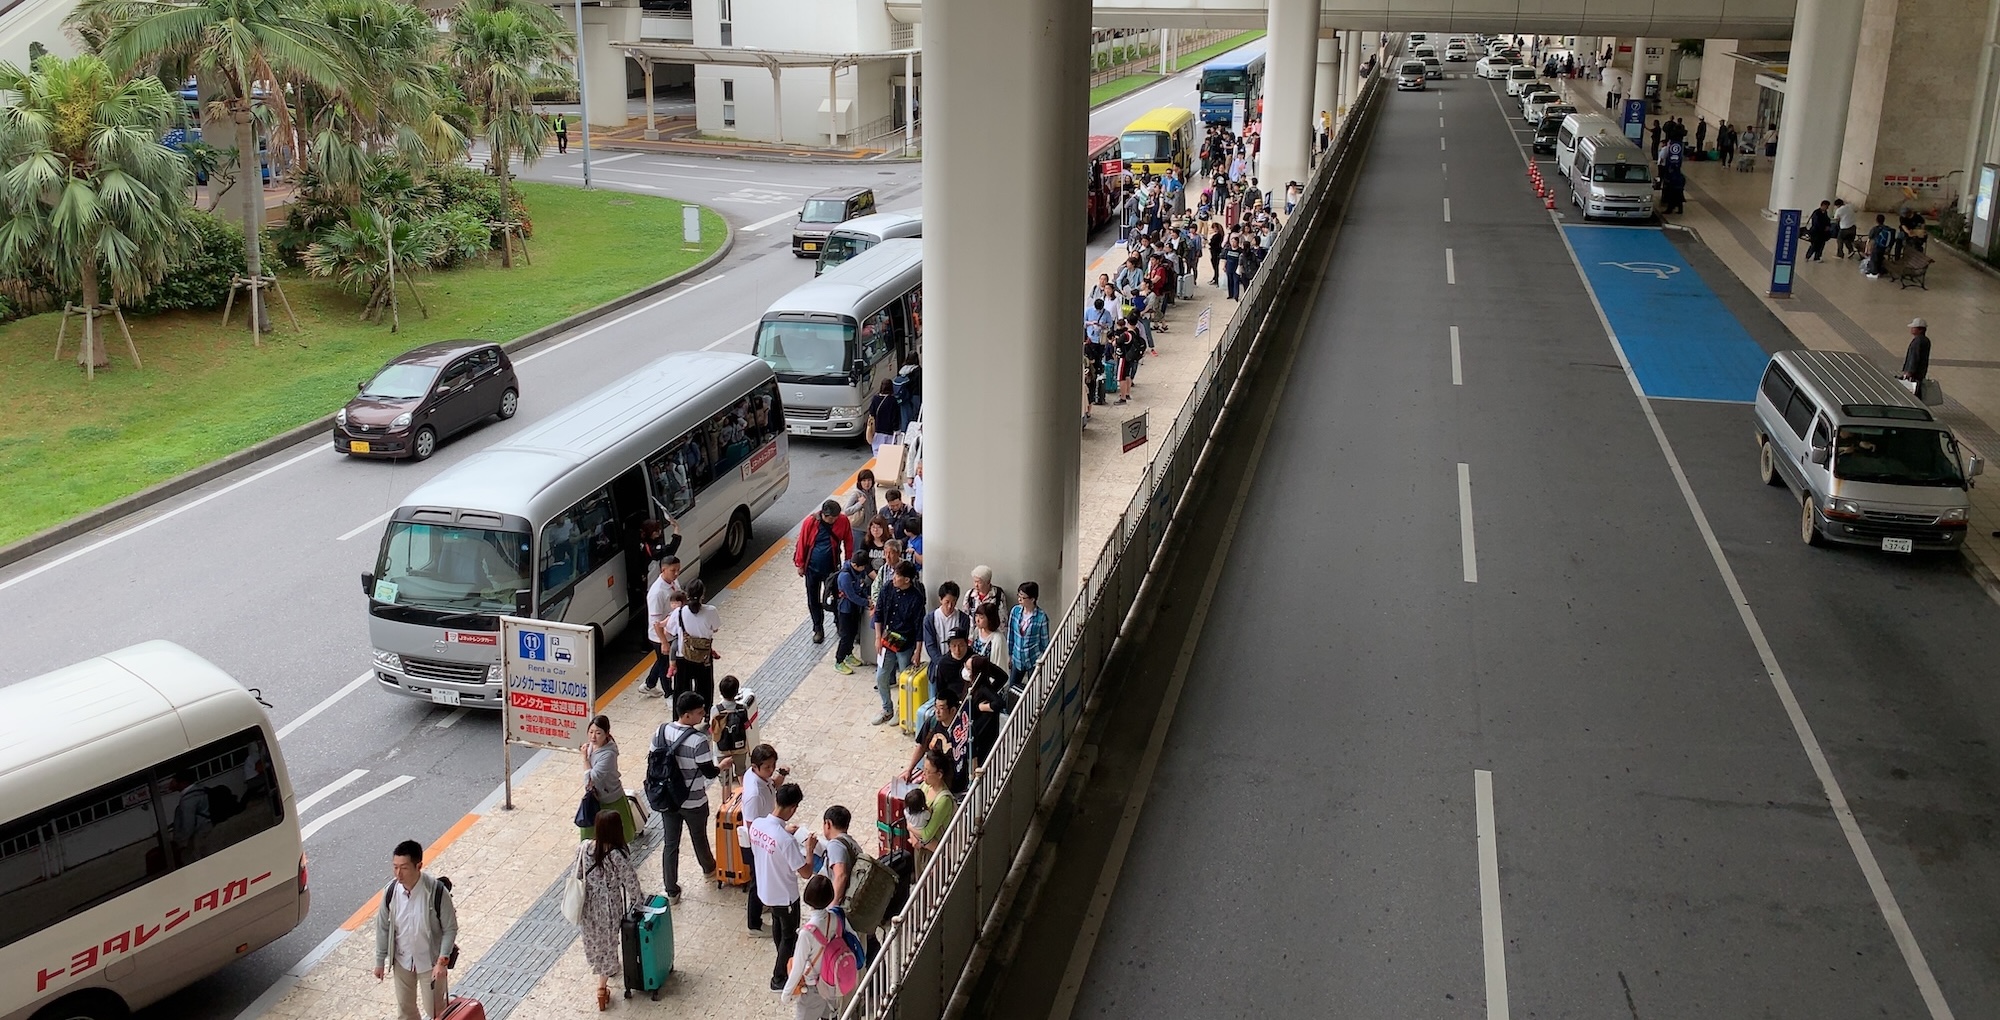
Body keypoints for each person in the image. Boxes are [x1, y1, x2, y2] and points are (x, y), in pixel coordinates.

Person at [373, 839, 457, 1020]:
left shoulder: (436, 891)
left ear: (419, 865)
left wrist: (442, 962)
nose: (398, 874)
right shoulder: (390, 892)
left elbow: (450, 928)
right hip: (402, 961)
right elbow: (383, 926)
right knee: (405, 1011)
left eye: (403, 868)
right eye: (395, 867)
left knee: (436, 1011)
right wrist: (380, 960)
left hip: (430, 963)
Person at [649, 692, 720, 902]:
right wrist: (721, 766)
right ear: (687, 715)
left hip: (668, 799)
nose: (703, 715)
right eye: (700, 712)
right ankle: (709, 869)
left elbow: (653, 761)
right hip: (693, 800)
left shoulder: (660, 731)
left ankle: (671, 889)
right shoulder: (698, 741)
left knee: (671, 843)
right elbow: (708, 772)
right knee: (699, 837)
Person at [748, 782, 816, 990]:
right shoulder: (785, 841)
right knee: (789, 936)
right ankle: (779, 977)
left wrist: (785, 829)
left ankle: (783, 959)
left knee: (779, 928)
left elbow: (772, 836)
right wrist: (810, 849)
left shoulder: (757, 825)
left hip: (766, 890)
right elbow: (805, 872)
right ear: (793, 807)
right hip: (785, 896)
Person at [575, 810, 642, 1011]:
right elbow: (632, 882)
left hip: (588, 903)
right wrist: (639, 904)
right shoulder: (617, 854)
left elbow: (577, 875)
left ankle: (605, 970)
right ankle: (602, 989)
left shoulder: (584, 847)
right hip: (609, 905)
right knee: (609, 942)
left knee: (595, 940)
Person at [741, 744, 790, 933]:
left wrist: (782, 774)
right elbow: (752, 826)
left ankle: (765, 902)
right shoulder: (753, 794)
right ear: (755, 766)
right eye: (767, 767)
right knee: (758, 880)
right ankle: (754, 925)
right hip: (756, 843)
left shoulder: (761, 778)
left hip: (764, 837)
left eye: (773, 766)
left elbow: (772, 785)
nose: (771, 770)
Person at [873, 561, 928, 726]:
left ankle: (901, 709)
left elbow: (919, 628)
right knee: (881, 677)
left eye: (898, 576)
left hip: (906, 643)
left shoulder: (916, 599)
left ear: (907, 580)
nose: (894, 578)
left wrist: (917, 651)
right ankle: (886, 708)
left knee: (905, 679)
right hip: (888, 638)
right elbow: (879, 612)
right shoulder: (887, 588)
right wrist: (877, 637)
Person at [783, 874, 842, 1019]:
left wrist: (786, 993)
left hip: (812, 988)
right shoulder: (835, 918)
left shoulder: (806, 934)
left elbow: (798, 967)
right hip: (830, 983)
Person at [794, 500, 853, 645]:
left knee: (836, 597)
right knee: (813, 599)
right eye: (829, 518)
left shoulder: (843, 521)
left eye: (834, 518)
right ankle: (818, 628)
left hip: (832, 568)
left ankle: (839, 623)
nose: (831, 521)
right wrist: (800, 564)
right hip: (812, 568)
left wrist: (848, 561)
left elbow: (848, 540)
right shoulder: (810, 522)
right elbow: (802, 542)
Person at [580, 715, 637, 843]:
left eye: (598, 733)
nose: (593, 737)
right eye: (591, 732)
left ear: (606, 734)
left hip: (610, 799)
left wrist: (584, 759)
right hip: (595, 798)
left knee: (615, 837)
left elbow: (590, 779)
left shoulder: (608, 754)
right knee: (592, 837)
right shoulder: (591, 746)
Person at [665, 579, 721, 709]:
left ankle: (681, 715)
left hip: (683, 655)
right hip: (704, 657)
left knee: (681, 689)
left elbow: (670, 630)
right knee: (705, 686)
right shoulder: (711, 611)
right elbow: (715, 628)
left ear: (686, 594)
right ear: (703, 595)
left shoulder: (679, 612)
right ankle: (705, 712)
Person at [642, 555, 685, 697]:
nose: (677, 573)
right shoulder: (657, 592)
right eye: (673, 570)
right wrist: (664, 642)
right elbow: (656, 622)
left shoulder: (673, 581)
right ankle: (669, 694)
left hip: (672, 630)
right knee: (665, 665)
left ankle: (649, 684)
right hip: (660, 635)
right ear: (663, 569)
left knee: (662, 660)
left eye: (678, 569)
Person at [910, 750, 957, 876]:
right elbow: (911, 811)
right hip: (921, 848)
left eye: (928, 772)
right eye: (923, 769)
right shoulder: (925, 786)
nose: (923, 774)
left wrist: (910, 828)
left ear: (939, 774)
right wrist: (914, 836)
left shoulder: (943, 800)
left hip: (935, 855)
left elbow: (927, 834)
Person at [832, 553, 873, 674]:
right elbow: (852, 596)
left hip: (854, 609)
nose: (864, 569)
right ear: (855, 565)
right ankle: (839, 661)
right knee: (846, 636)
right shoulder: (845, 576)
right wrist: (866, 602)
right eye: (862, 567)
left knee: (853, 632)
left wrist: (867, 597)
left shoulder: (857, 572)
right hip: (845, 610)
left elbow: (860, 588)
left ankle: (848, 654)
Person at [1007, 581, 1050, 690]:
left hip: (1033, 658)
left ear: (1032, 599)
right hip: (1017, 657)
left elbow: (1045, 642)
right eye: (1019, 596)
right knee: (1012, 688)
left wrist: (1041, 659)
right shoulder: (1015, 611)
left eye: (1023, 597)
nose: (1019, 599)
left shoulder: (1041, 617)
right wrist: (1009, 654)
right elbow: (1011, 634)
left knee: (1033, 690)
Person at [921, 581, 970, 668]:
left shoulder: (963, 618)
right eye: (947, 602)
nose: (950, 606)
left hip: (958, 665)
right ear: (940, 599)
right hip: (938, 666)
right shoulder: (930, 619)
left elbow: (964, 643)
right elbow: (930, 645)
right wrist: (941, 663)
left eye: (953, 602)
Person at [865, 379, 902, 454]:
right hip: (889, 432)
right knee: (888, 455)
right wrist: (896, 430)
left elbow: (871, 414)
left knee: (877, 454)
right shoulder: (893, 401)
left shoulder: (875, 399)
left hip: (877, 432)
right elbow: (895, 417)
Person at [971, 601, 1009, 671]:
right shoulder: (977, 631)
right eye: (976, 616)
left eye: (981, 617)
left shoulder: (998, 639)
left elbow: (999, 665)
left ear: (990, 619)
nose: (977, 620)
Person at [843, 468, 878, 533]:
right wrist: (859, 504)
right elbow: (846, 511)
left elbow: (874, 505)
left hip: (870, 527)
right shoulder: (856, 494)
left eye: (869, 480)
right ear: (860, 482)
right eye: (864, 480)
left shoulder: (872, 490)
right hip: (858, 529)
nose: (867, 483)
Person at [1865, 214, 1896, 278]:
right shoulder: (1888, 229)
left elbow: (1869, 239)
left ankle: (1874, 273)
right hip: (1885, 248)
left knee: (1874, 258)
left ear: (1876, 221)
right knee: (1880, 258)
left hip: (1877, 247)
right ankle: (1881, 270)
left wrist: (1866, 249)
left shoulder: (1875, 229)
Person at [1900, 318, 1931, 383]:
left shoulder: (1918, 341)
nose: (1911, 329)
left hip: (1914, 375)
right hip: (1920, 374)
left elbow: (1914, 357)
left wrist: (1909, 372)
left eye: (1914, 328)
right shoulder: (1925, 340)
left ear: (1920, 330)